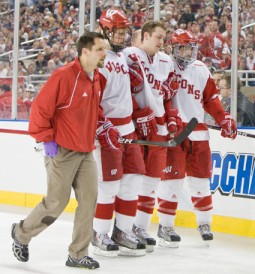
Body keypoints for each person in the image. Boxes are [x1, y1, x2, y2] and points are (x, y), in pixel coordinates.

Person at [11, 32, 107, 270]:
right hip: (62, 151)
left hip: (86, 152)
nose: (104, 54)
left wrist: (104, 126)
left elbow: (94, 111)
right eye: (100, 50)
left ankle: (77, 253)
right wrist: (46, 139)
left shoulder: (98, 78)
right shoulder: (64, 76)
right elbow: (40, 109)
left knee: (89, 201)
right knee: (56, 202)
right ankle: (21, 233)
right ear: (85, 52)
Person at [156, 29, 237, 247]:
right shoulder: (163, 65)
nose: (188, 52)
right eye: (183, 47)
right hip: (173, 133)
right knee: (171, 181)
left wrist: (224, 118)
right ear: (173, 48)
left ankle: (204, 222)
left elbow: (211, 99)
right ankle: (165, 225)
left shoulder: (201, 69)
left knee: (201, 180)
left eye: (191, 47)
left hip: (198, 132)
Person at [92, 9, 146, 257]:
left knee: (132, 181)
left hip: (129, 129)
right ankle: (99, 233)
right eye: (117, 31)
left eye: (125, 31)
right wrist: (100, 125)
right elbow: (92, 99)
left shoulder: (123, 57)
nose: (122, 36)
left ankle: (122, 231)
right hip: (108, 130)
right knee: (108, 185)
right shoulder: (99, 59)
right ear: (104, 30)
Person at [123, 20, 180, 252]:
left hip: (159, 129)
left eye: (163, 37)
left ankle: (140, 227)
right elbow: (118, 90)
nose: (162, 42)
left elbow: (169, 94)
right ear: (145, 36)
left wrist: (172, 116)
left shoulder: (166, 61)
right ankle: (122, 228)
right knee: (130, 180)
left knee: (152, 181)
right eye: (158, 37)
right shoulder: (130, 55)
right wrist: (137, 114)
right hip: (134, 128)